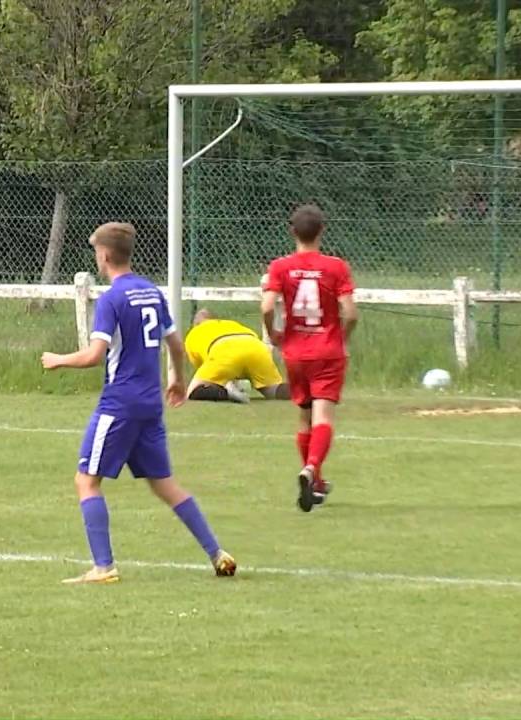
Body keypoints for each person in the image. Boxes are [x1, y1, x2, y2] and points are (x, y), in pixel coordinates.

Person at [42, 222, 236, 584]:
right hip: (150, 404)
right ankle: (216, 552)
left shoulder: (112, 299)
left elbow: (95, 356)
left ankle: (103, 566)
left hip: (119, 405)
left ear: (104, 256)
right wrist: (176, 380)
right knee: (165, 484)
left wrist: (58, 360)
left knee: (86, 481)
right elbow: (176, 344)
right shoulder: (150, 291)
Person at [261, 204, 359, 513]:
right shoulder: (336, 266)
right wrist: (341, 337)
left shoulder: (280, 267)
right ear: (322, 231)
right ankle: (312, 467)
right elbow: (351, 313)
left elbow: (266, 307)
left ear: (292, 231)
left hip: (296, 352)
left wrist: (274, 333)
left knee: (304, 416)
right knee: (323, 418)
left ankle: (315, 481)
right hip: (327, 351)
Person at [184, 308, 290, 403]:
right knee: (273, 390)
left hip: (223, 351)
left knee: (194, 391)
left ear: (196, 324)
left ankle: (227, 393)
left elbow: (207, 370)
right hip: (256, 348)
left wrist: (225, 382)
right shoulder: (231, 324)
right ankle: (302, 391)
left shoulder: (193, 333)